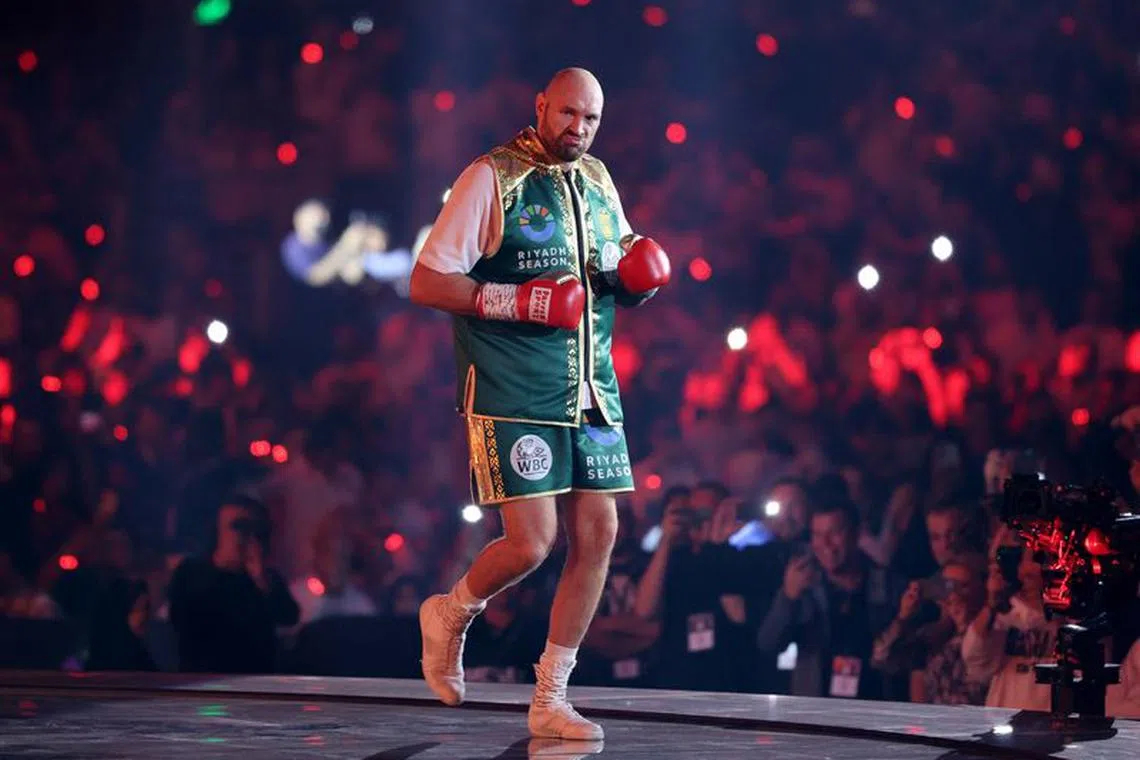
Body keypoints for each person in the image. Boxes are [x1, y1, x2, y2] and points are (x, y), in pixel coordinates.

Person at [409, 67, 671, 740]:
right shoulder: (491, 176)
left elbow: (607, 270)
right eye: (568, 114)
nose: (577, 128)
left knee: (601, 533)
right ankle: (450, 614)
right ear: (541, 107)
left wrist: (633, 280)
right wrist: (513, 298)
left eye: (590, 119)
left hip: (590, 388)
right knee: (532, 544)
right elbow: (427, 280)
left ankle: (550, 697)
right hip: (512, 389)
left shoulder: (600, 181)